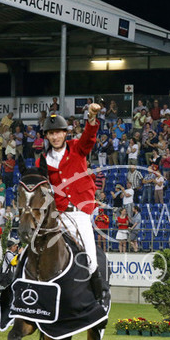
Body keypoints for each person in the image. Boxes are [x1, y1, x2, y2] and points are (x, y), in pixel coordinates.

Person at [37, 105, 107, 306]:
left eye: (58, 132)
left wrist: (92, 118)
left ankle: (98, 298)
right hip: (58, 214)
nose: (55, 136)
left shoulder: (77, 147)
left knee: (91, 258)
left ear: (65, 133)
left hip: (79, 212)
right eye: (51, 133)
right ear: (47, 136)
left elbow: (89, 137)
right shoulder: (43, 160)